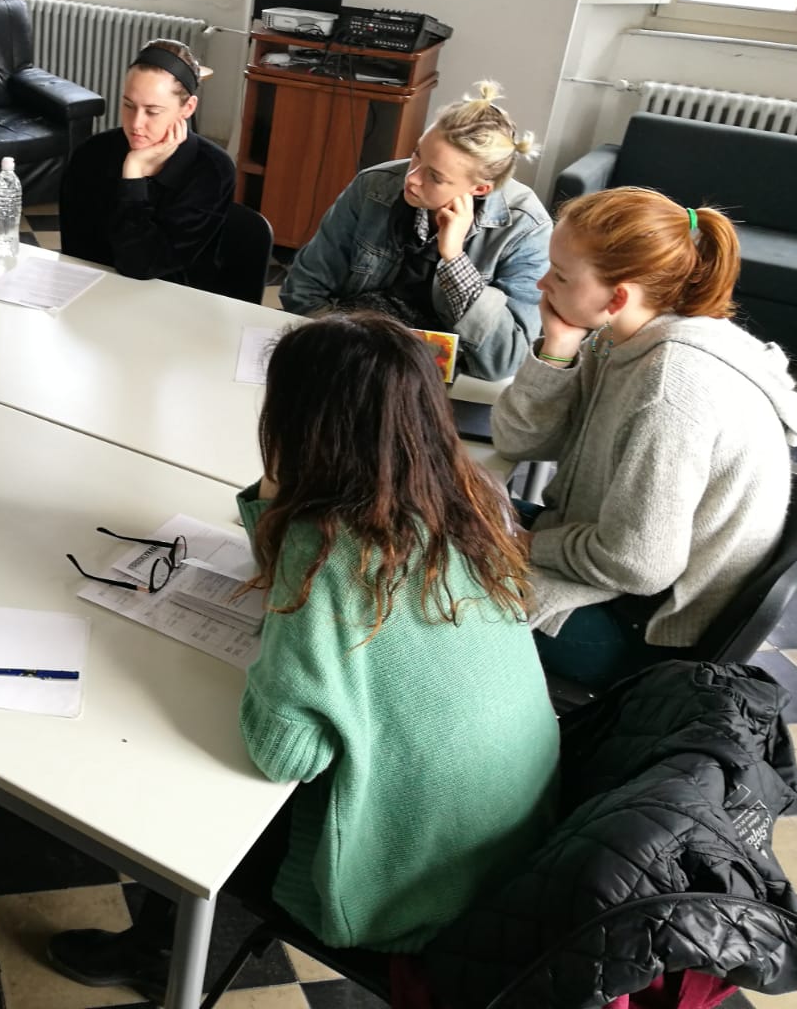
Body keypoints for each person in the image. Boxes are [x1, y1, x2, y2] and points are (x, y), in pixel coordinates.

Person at [49, 312, 559, 1000]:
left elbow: (286, 754)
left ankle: (158, 954)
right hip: (519, 842)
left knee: (197, 794)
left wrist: (282, 517)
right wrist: (278, 509)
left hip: (418, 885)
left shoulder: (326, 549)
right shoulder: (465, 498)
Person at [491, 187, 797, 688]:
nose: (542, 282)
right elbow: (520, 442)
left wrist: (526, 545)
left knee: (422, 595)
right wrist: (557, 350)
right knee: (432, 520)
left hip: (642, 627)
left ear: (618, 297)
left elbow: (640, 564)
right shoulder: (618, 337)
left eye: (561, 276)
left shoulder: (668, 390)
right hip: (598, 559)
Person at [282, 80, 550, 380]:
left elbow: (504, 360)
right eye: (417, 153)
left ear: (480, 188)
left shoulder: (527, 229)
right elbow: (303, 289)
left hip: (434, 378)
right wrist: (346, 349)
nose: (411, 178)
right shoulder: (374, 186)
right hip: (350, 354)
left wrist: (454, 260)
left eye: (435, 177)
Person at [59, 38, 237, 283]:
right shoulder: (91, 154)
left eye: (152, 111)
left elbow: (141, 266)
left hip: (178, 298)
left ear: (187, 108)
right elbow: (76, 256)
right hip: (96, 291)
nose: (136, 124)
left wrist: (133, 175)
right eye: (128, 105)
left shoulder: (212, 170)